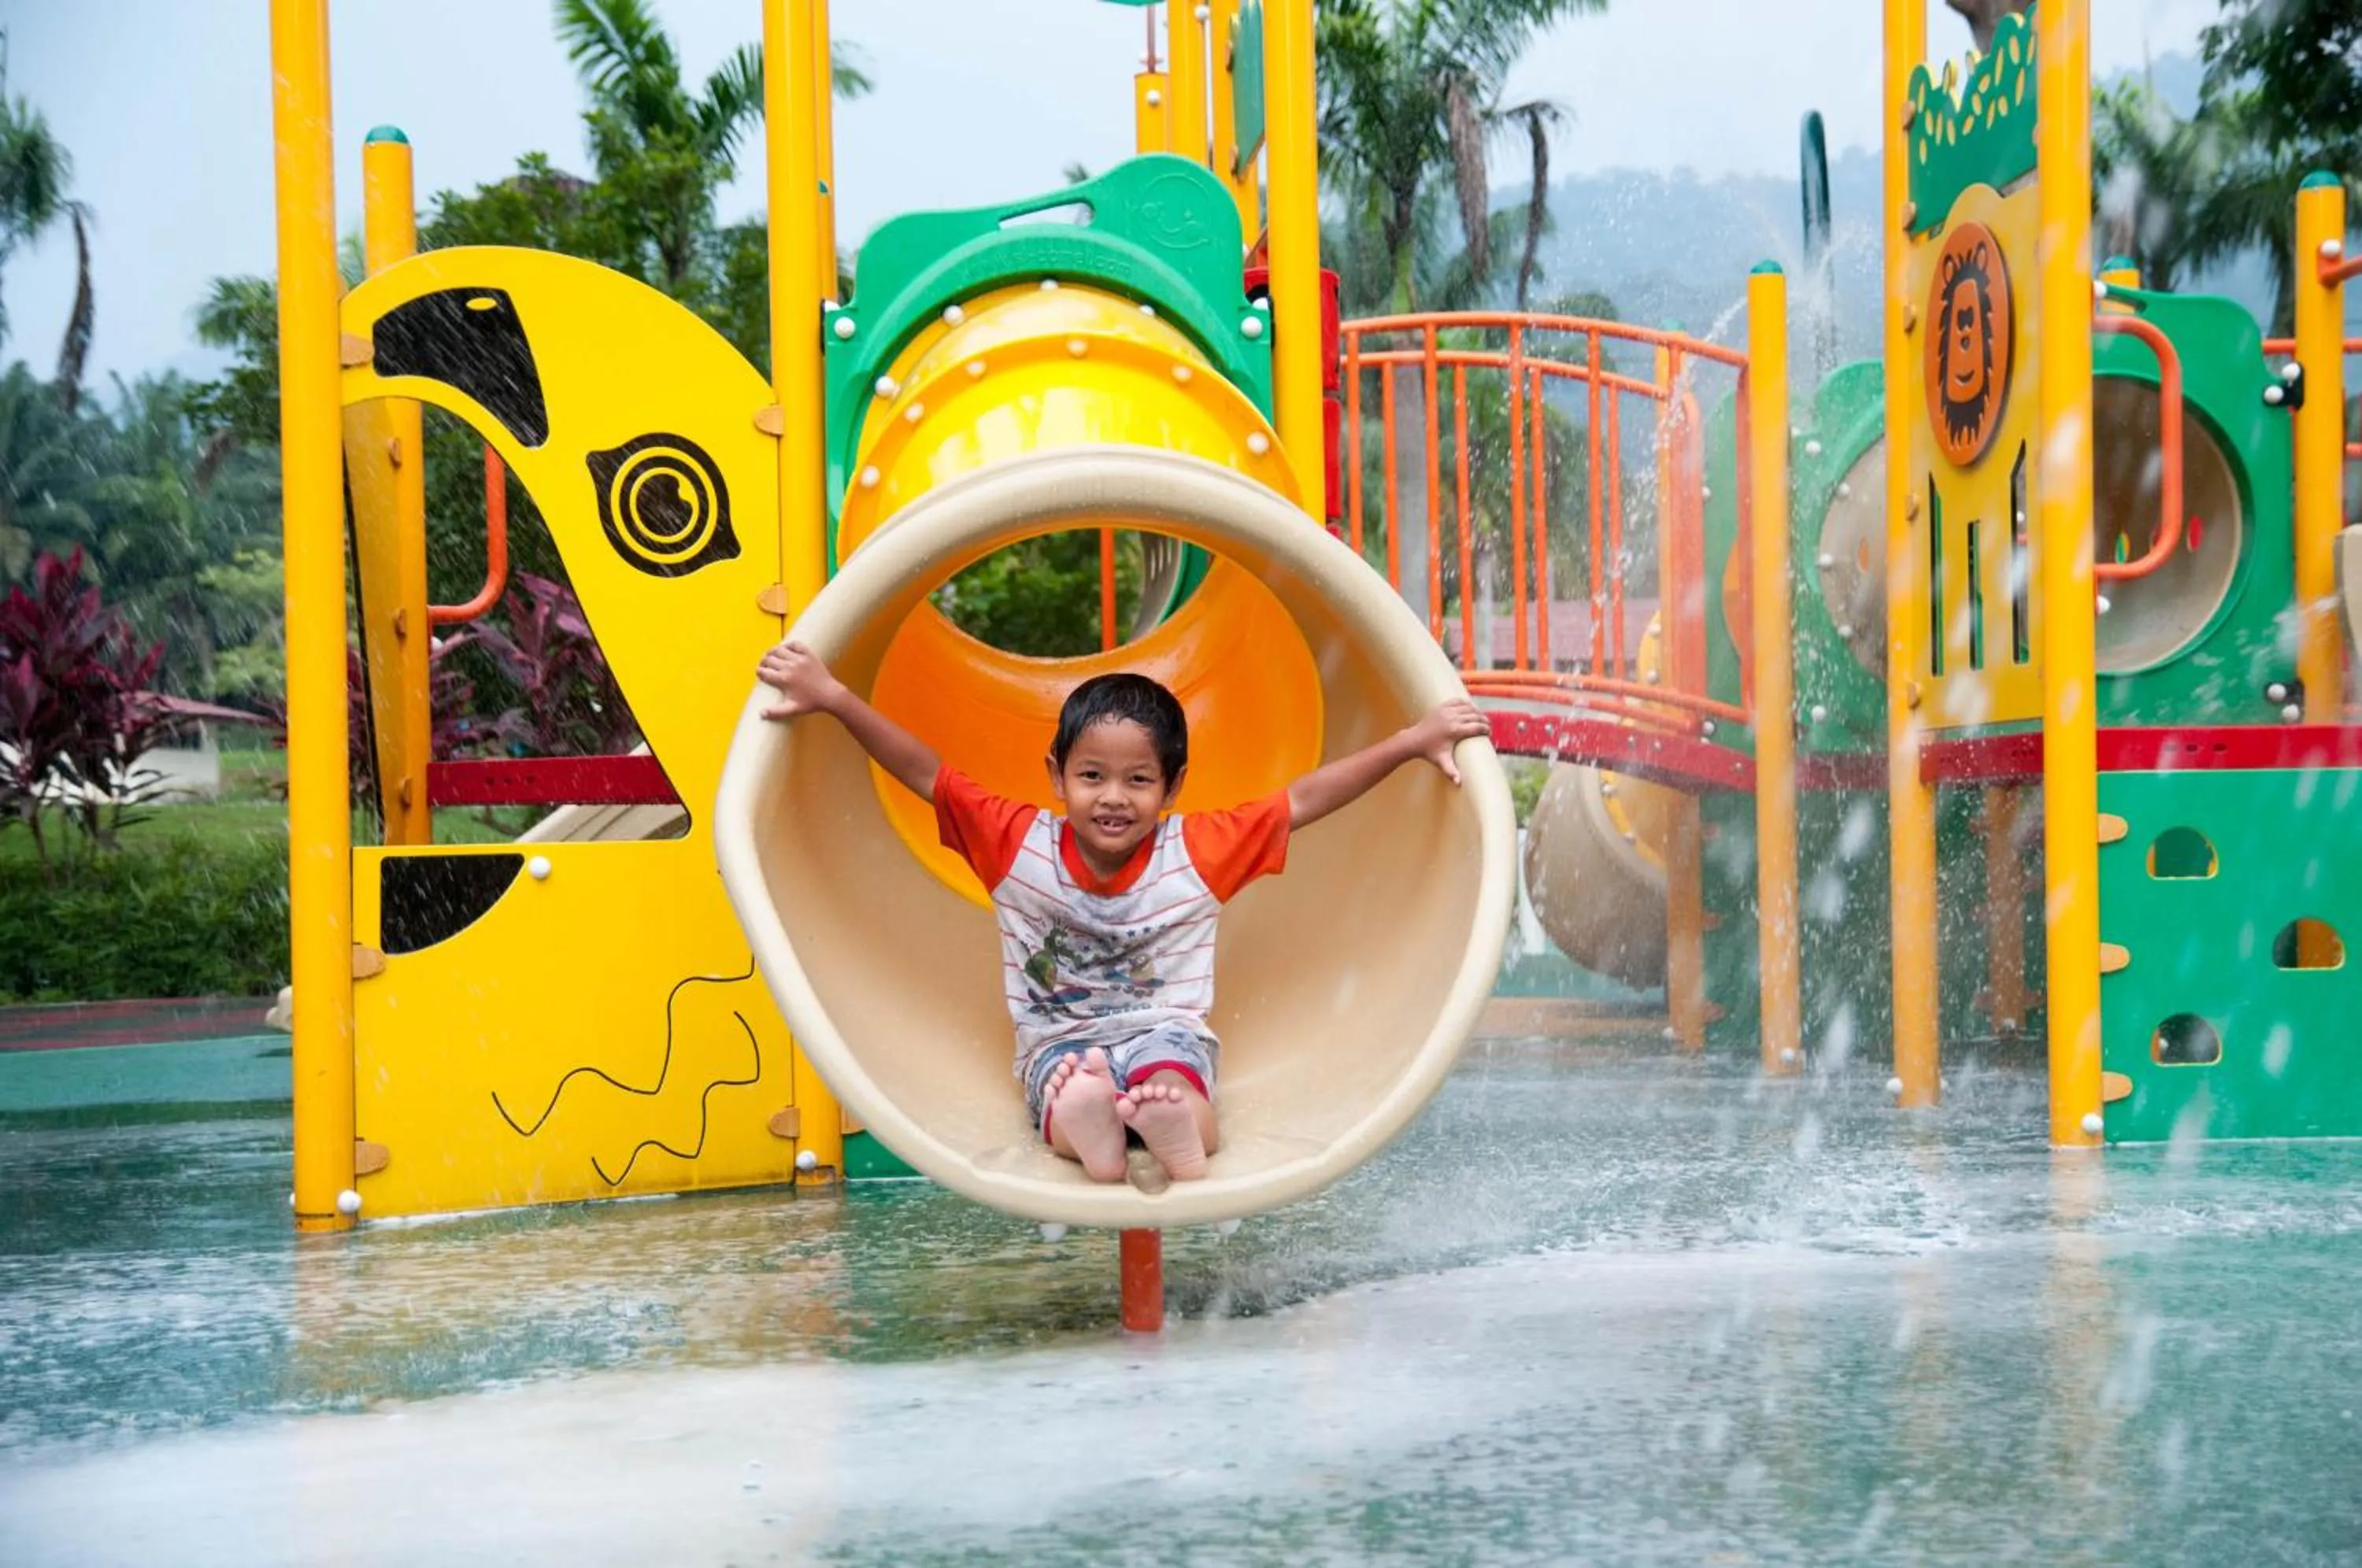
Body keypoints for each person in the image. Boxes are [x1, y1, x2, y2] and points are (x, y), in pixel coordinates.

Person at [756, 642, 1487, 1185]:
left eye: (1139, 780)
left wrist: (1410, 743)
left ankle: (1173, 1131)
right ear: (1057, 776)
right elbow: (924, 771)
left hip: (1164, 1034)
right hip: (1060, 1042)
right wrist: (833, 696)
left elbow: (1302, 800)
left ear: (1172, 789)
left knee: (1179, 1080)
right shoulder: (1015, 843)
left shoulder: (1196, 849)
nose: (1113, 797)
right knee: (1069, 1087)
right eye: (1092, 776)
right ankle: (1097, 1134)